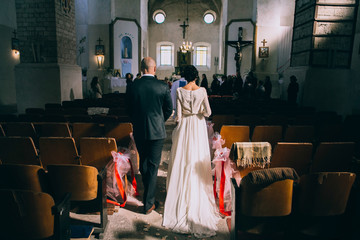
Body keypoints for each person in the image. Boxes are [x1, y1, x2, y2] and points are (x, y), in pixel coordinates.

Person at [163, 65, 220, 238]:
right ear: (195, 76)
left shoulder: (180, 91)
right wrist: (199, 111)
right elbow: (209, 112)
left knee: (183, 159)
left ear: (184, 76)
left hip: (185, 126)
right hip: (197, 126)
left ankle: (180, 195)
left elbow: (177, 116)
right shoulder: (202, 90)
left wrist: (182, 115)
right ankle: (197, 195)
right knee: (197, 159)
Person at [126, 57, 173, 214]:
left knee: (145, 165)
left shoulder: (132, 86)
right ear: (154, 69)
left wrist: (138, 121)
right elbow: (169, 109)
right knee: (152, 167)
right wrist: (160, 121)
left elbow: (129, 110)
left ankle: (148, 198)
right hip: (157, 132)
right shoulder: (163, 86)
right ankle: (149, 203)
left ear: (141, 68)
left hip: (139, 130)